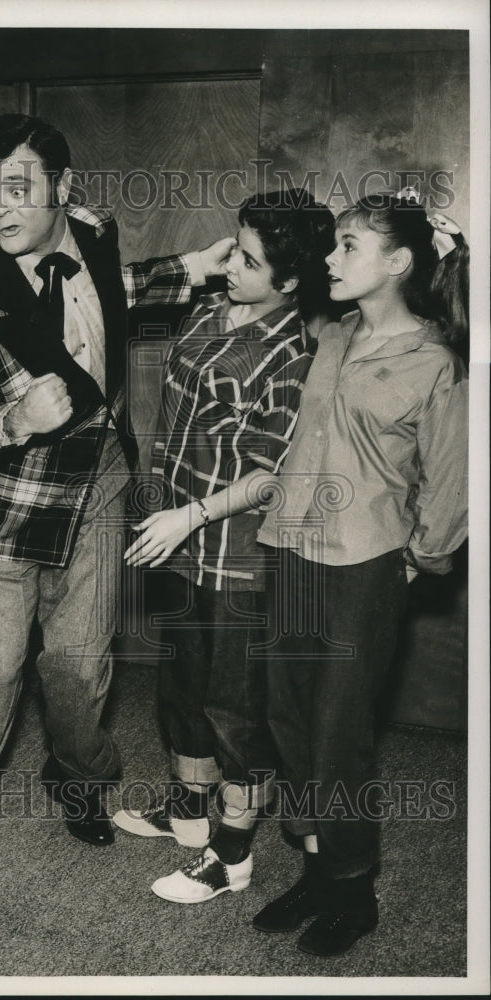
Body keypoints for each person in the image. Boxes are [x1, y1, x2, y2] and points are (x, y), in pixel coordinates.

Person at [0, 113, 233, 919]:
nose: (0, 210)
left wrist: (192, 266)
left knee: (79, 667)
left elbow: (116, 291)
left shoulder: (93, 228)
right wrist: (11, 422)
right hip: (11, 510)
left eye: (17, 190)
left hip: (102, 483)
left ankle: (80, 783)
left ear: (62, 190)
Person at [252, 191, 469, 956]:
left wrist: (418, 558)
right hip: (291, 548)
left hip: (363, 565)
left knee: (340, 731)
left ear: (399, 264)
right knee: (288, 718)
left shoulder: (435, 360)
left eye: (348, 246)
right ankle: (314, 866)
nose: (331, 258)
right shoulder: (333, 334)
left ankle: (353, 889)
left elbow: (449, 481)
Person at [112, 189, 336, 904]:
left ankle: (232, 855)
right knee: (181, 690)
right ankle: (187, 815)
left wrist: (189, 516)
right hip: (177, 540)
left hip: (235, 554)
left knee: (234, 707)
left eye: (248, 259)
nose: (230, 264)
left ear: (291, 280)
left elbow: (270, 474)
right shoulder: (211, 308)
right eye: (234, 247)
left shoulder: (292, 353)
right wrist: (167, 515)